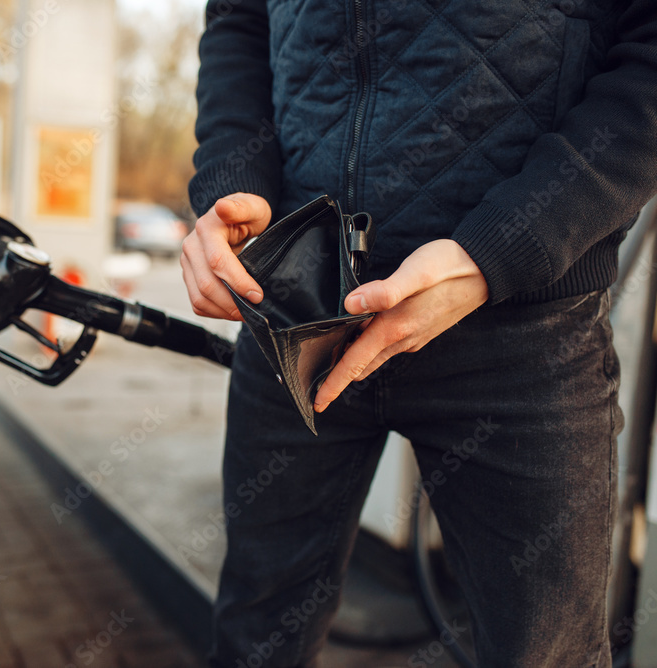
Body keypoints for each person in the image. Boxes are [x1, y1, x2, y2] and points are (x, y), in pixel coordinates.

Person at [181, 0, 657, 666]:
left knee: (544, 654)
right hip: (295, 314)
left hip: (522, 335)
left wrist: (503, 248)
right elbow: (238, 18)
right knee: (255, 640)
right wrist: (231, 178)